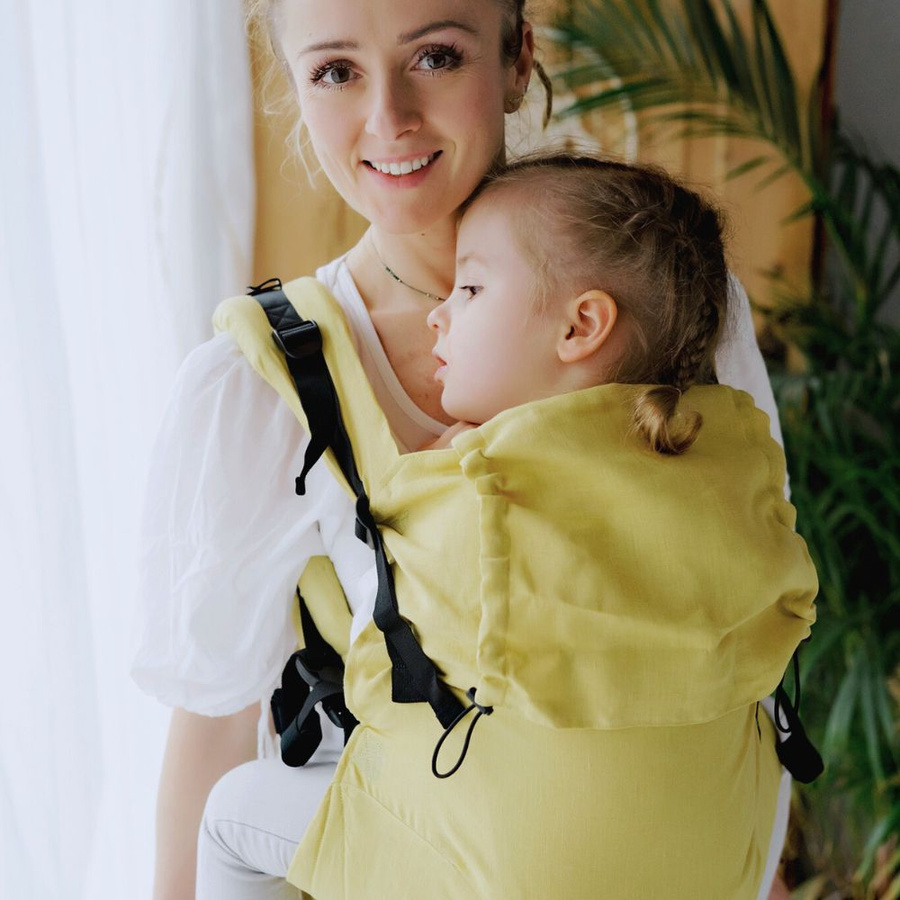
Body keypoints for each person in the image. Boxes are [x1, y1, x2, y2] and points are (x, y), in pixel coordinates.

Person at [131, 1, 791, 897]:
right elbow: (212, 731)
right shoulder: (262, 386)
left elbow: (737, 639)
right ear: (294, 85)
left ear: (517, 56)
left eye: (435, 56)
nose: (388, 118)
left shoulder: (666, 298)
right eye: (335, 72)